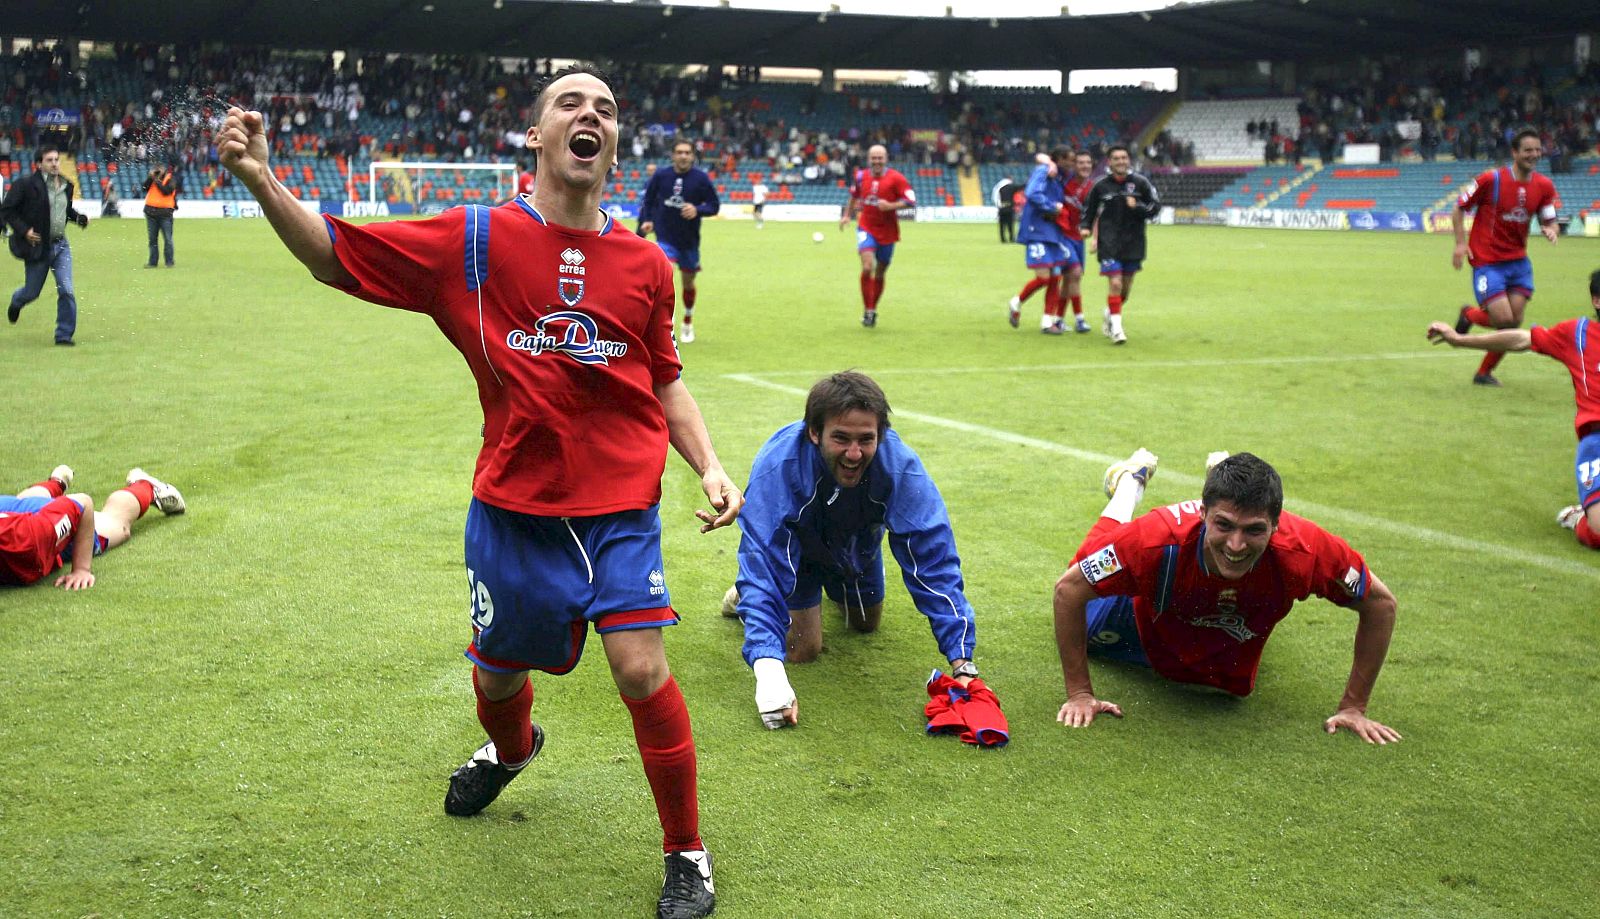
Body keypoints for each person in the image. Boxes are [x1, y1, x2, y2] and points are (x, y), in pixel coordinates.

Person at [219, 64, 740, 919]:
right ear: (534, 136)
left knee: (641, 668)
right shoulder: (473, 242)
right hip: (513, 508)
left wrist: (710, 464)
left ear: (613, 143)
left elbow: (665, 377)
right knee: (497, 682)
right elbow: (333, 255)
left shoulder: (645, 262)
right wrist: (261, 176)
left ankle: (687, 852)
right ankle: (512, 750)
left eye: (605, 109)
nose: (591, 115)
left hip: (619, 508)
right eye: (571, 103)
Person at [1052, 448, 1401, 744]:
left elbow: (1380, 605)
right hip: (1139, 612)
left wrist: (1354, 706)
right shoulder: (1157, 540)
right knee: (1083, 570)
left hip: (1218, 626)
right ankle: (1130, 483)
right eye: (1224, 525)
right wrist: (1080, 693)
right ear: (1202, 514)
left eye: (1254, 530)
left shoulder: (1306, 550)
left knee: (1226, 686)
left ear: (1276, 524)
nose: (1236, 545)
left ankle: (1216, 481)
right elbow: (1068, 590)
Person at [720, 372, 980, 729]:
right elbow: (763, 556)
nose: (854, 453)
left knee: (864, 624)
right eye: (840, 438)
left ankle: (829, 580)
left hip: (856, 548)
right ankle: (744, 595)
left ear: (881, 435)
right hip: (799, 553)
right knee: (800, 651)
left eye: (866, 440)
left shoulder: (899, 466)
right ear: (815, 432)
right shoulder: (782, 467)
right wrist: (769, 673)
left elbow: (932, 557)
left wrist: (962, 662)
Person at [1428, 269, 1600, 550]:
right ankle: (1579, 517)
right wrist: (1459, 340)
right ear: (1596, 300)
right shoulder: (1578, 334)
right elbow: (1520, 340)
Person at [1449, 128, 1559, 387]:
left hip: (1519, 263)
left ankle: (1483, 373)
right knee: (1504, 321)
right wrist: (1460, 244)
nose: (1534, 155)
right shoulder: (1491, 179)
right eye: (1528, 150)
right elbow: (1459, 208)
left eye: (1537, 150)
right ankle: (1470, 315)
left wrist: (1551, 230)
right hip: (1488, 262)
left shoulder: (1544, 186)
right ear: (1514, 152)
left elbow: (1550, 218)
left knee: (1512, 323)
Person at [1, 465, 185, 589]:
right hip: (13, 513)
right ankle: (56, 484)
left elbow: (83, 505)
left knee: (116, 524)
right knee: (22, 502)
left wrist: (81, 569)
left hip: (40, 527)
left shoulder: (31, 537)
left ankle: (147, 487)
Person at [1, 145, 89, 346]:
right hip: (38, 247)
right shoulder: (25, 185)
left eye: (57, 159)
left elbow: (64, 211)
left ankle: (63, 335)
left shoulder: (66, 185)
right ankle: (17, 301)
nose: (55, 163)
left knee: (66, 289)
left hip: (61, 246)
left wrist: (79, 218)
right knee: (32, 292)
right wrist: (25, 231)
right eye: (49, 160)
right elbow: (7, 211)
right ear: (39, 164)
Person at [640, 139, 720, 344]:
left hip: (689, 241)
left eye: (687, 152)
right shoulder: (661, 175)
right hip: (665, 236)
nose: (683, 156)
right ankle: (667, 323)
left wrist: (697, 210)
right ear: (673, 155)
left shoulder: (701, 179)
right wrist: (647, 220)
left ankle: (687, 320)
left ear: (692, 156)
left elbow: (714, 205)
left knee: (688, 283)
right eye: (679, 152)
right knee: (665, 276)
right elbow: (648, 200)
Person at [1082, 145, 1160, 345]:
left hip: (1134, 242)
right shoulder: (1100, 186)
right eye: (1116, 158)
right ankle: (1117, 329)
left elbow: (1155, 208)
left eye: (1124, 158)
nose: (1121, 161)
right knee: (1115, 283)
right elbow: (1089, 211)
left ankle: (1110, 312)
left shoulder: (1141, 183)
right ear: (1109, 162)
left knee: (1125, 289)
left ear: (1128, 160)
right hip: (1109, 242)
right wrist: (1086, 228)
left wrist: (1139, 207)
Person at [840, 144, 915, 328]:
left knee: (880, 271)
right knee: (867, 266)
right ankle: (868, 310)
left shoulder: (897, 178)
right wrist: (846, 215)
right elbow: (854, 197)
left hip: (888, 231)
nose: (877, 161)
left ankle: (872, 309)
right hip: (866, 226)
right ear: (869, 159)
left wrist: (890, 206)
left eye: (880, 158)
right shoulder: (860, 176)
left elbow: (910, 201)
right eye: (873, 158)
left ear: (886, 158)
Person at [1008, 148, 1072, 334]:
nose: (1072, 164)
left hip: (1053, 232)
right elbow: (1032, 192)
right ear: (1059, 159)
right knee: (1044, 277)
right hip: (1037, 230)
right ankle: (1016, 302)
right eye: (1069, 160)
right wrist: (1052, 207)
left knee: (1055, 277)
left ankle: (1047, 321)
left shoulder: (1060, 175)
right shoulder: (1044, 171)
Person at [1055, 150, 1096, 334]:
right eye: (1081, 163)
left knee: (1070, 279)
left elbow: (1097, 215)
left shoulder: (1093, 188)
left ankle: (1058, 320)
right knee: (1076, 273)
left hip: (1079, 239)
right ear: (1074, 165)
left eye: (1088, 162)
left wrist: (1095, 238)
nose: (1085, 166)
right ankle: (1080, 319)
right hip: (1063, 236)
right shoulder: (1064, 183)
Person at [142, 162, 179, 268]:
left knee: (168, 239)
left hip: (165, 214)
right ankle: (152, 262)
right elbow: (144, 188)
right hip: (151, 213)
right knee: (152, 239)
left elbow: (166, 191)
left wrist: (157, 180)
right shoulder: (152, 179)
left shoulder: (171, 179)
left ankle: (169, 262)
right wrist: (150, 177)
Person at [993, 175, 1017, 244]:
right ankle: (1011, 238)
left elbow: (996, 197)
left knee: (1002, 225)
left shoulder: (999, 186)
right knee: (1010, 224)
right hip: (1008, 208)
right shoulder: (1009, 186)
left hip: (1001, 208)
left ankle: (1003, 239)